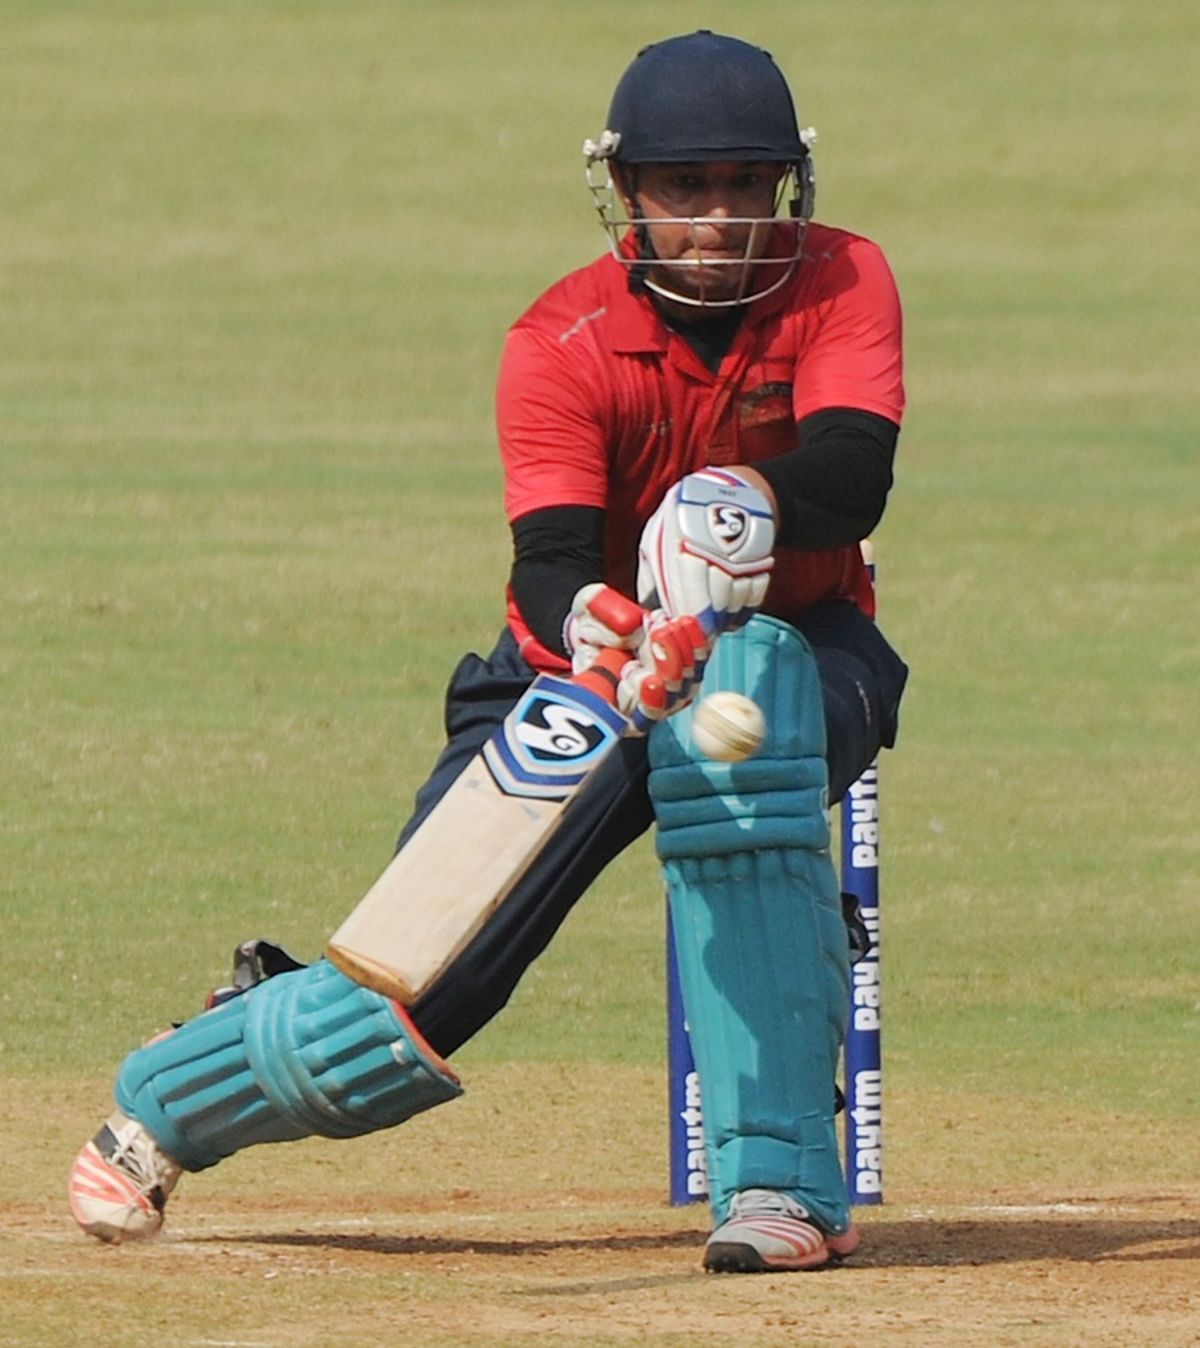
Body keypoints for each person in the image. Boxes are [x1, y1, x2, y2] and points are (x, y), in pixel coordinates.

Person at [68, 30, 907, 1273]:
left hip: (804, 636)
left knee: (753, 731)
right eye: (687, 190)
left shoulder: (844, 277)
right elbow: (550, 555)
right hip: (573, 668)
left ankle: (778, 1188)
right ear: (627, 193)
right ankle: (176, 1092)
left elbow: (855, 471)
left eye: (747, 184)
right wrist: (596, 626)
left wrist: (747, 499)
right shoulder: (558, 343)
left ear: (789, 184)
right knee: (418, 998)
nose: (722, 218)